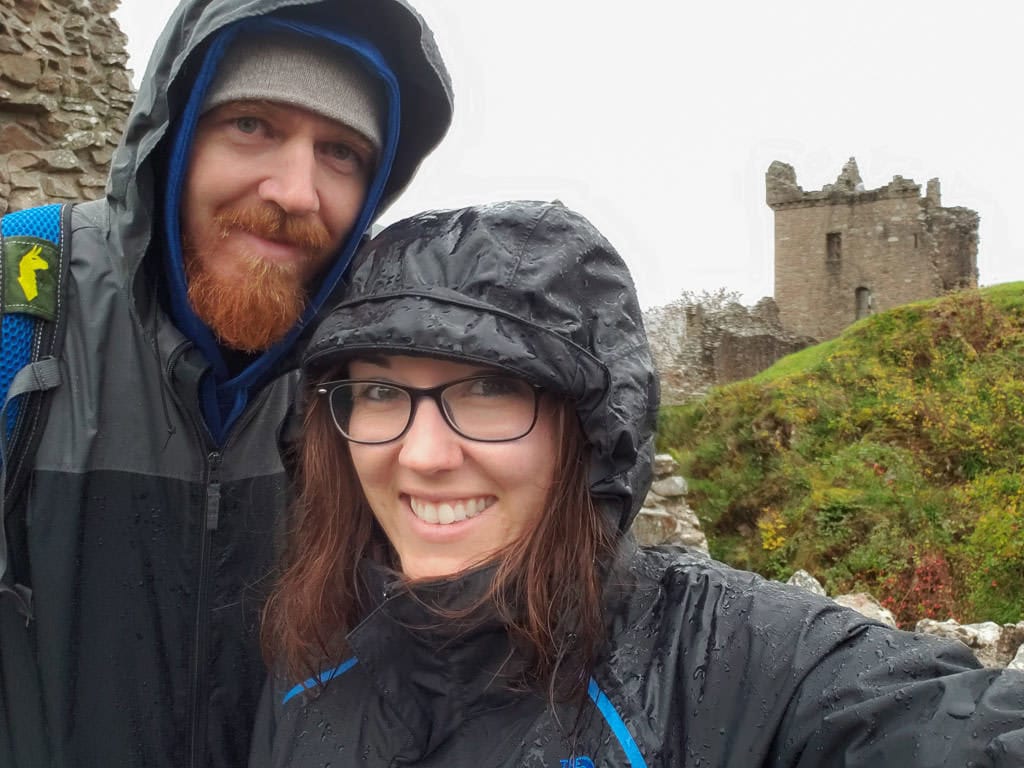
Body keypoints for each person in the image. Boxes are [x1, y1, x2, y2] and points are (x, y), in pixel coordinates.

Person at [252, 200, 1024, 767]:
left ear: (586, 430)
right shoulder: (307, 658)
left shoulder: (732, 661)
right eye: (381, 392)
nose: (422, 455)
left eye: (489, 389)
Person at [0, 1, 452, 766]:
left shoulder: (374, 379)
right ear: (174, 137)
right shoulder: (23, 304)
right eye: (252, 125)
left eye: (341, 152)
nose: (296, 192)